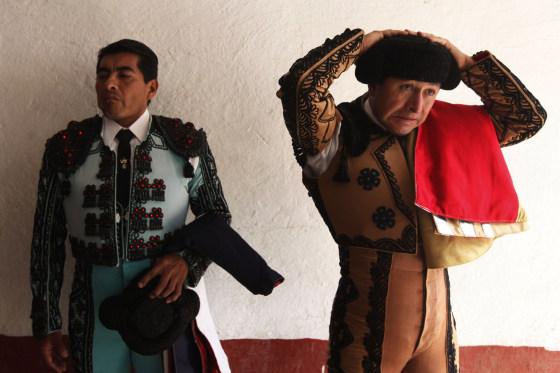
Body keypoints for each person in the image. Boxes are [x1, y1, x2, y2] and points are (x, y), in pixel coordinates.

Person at [277, 28, 546, 372]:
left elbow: (527, 118)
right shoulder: (335, 134)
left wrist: (463, 63)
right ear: (373, 84)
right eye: (405, 87)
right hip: (367, 322)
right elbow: (302, 87)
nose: (416, 106)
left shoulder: (447, 130)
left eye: (429, 92)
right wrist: (360, 44)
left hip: (439, 323)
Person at [30, 39, 231, 373]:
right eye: (102, 75)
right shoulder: (66, 148)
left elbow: (217, 216)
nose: (109, 83)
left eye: (124, 75)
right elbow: (45, 239)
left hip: (165, 298)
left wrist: (186, 262)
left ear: (151, 87)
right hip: (92, 302)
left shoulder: (186, 144)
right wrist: (47, 323)